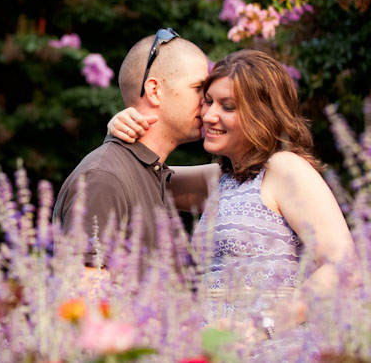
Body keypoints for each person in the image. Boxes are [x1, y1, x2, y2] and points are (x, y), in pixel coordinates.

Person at [109, 49, 355, 341]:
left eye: (228, 107)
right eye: (209, 101)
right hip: (217, 350)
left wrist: (261, 326)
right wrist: (118, 133)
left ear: (262, 114)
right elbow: (137, 177)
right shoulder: (222, 180)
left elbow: (344, 266)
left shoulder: (285, 168)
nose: (209, 115)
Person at [52, 28, 209, 270]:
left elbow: (247, 175)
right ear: (154, 91)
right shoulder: (103, 178)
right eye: (198, 88)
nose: (206, 101)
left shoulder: (153, 174)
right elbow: (85, 299)